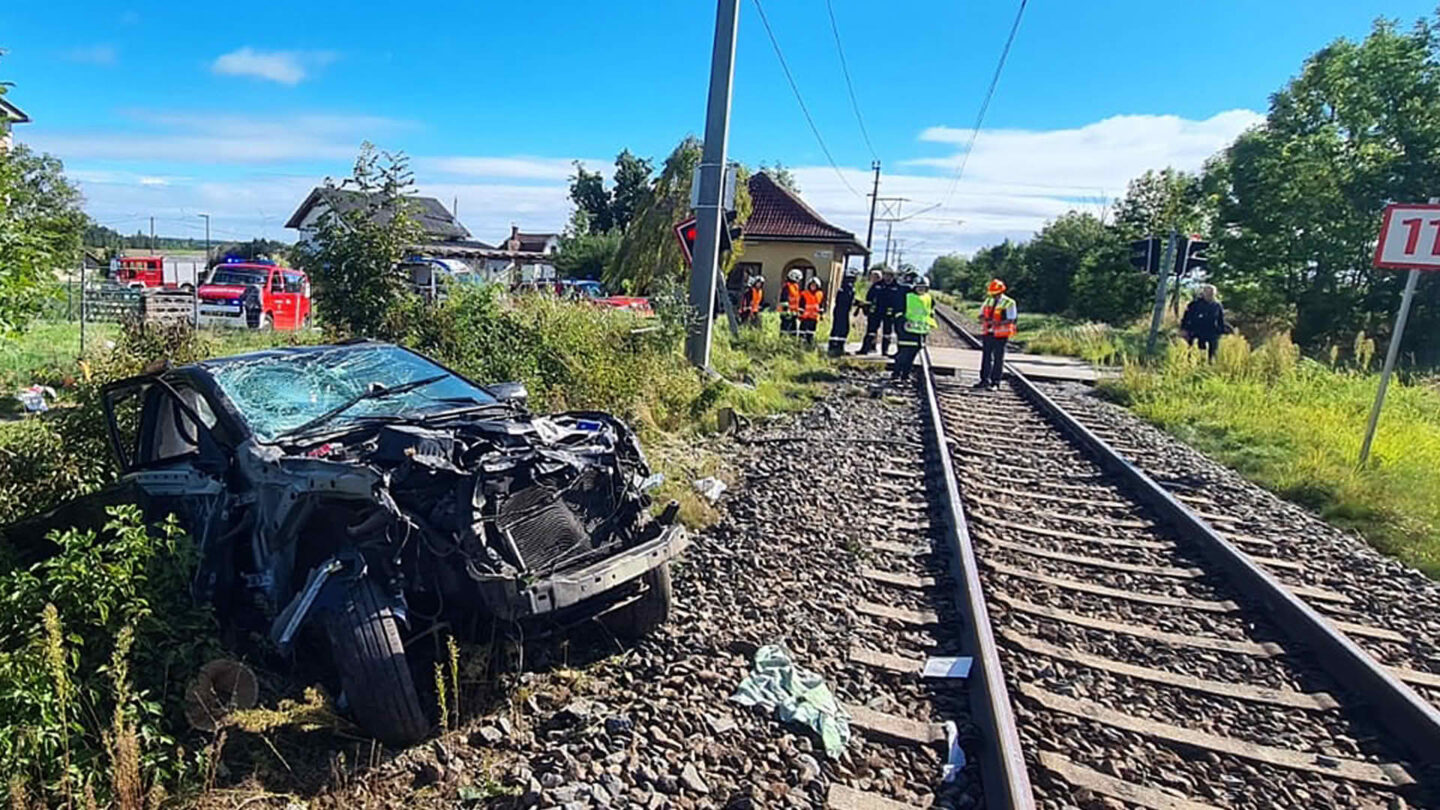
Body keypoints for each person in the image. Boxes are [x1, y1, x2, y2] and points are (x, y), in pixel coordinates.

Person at [892, 276, 935, 383]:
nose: (921, 290)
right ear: (914, 287)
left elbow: (929, 312)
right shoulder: (907, 297)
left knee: (912, 356)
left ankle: (905, 375)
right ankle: (896, 374)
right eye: (919, 287)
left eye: (923, 288)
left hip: (920, 332)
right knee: (903, 354)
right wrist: (901, 323)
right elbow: (898, 312)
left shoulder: (928, 298)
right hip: (907, 331)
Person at [975, 278, 1017, 389]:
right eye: (993, 294)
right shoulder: (988, 301)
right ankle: (984, 380)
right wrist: (985, 320)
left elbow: (1011, 319)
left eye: (996, 293)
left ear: (1001, 291)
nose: (994, 296)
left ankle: (995, 382)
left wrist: (998, 323)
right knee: (986, 357)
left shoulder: (1009, 302)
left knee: (998, 358)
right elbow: (980, 315)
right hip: (988, 332)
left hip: (1001, 334)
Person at [1181, 284, 1227, 360]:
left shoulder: (1217, 305)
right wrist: (1184, 329)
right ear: (1203, 293)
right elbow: (1186, 318)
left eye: (1211, 293)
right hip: (1197, 332)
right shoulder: (1194, 304)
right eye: (1208, 293)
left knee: (1212, 356)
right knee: (1196, 354)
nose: (1209, 295)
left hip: (1212, 333)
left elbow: (1220, 320)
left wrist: (1221, 331)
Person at [828, 267, 860, 356]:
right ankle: (836, 348)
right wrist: (856, 303)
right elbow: (847, 300)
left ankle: (836, 347)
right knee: (842, 329)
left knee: (840, 329)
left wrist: (857, 303)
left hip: (842, 311)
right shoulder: (847, 288)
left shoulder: (845, 288)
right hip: (841, 311)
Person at [858, 269, 887, 354]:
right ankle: (871, 347)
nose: (871, 278)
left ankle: (868, 348)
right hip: (873, 312)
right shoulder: (874, 286)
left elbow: (874, 300)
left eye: (873, 277)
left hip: (877, 312)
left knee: (872, 331)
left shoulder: (879, 286)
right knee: (872, 331)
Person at [798, 276, 825, 346]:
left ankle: (809, 345)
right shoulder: (804, 294)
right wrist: (800, 314)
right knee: (802, 333)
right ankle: (800, 346)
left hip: (814, 318)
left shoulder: (820, 294)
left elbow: (821, 306)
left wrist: (821, 314)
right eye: (811, 285)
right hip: (805, 317)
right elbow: (801, 305)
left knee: (811, 333)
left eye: (814, 285)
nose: (813, 287)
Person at [779, 268, 803, 337]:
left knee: (793, 331)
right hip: (787, 313)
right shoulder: (787, 286)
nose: (799, 281)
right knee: (785, 331)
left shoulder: (796, 287)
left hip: (793, 313)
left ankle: (791, 343)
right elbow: (784, 300)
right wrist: (787, 310)